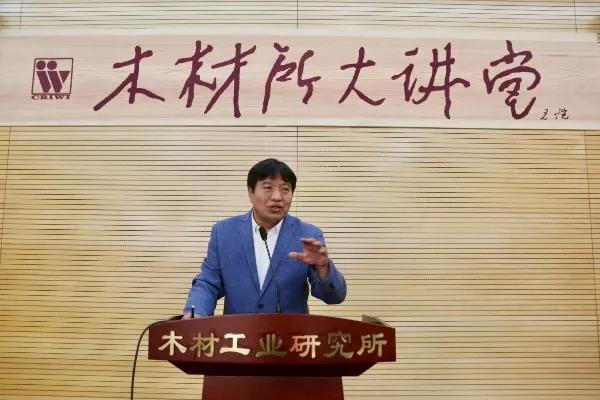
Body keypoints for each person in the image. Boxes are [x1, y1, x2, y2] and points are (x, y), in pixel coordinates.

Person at [183, 158, 346, 317]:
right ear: (251, 192)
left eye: (285, 189)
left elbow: (334, 297)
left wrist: (323, 268)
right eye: (268, 187)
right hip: (238, 333)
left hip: (290, 334)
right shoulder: (224, 233)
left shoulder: (307, 235)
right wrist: (195, 314)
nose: (277, 197)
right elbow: (208, 283)